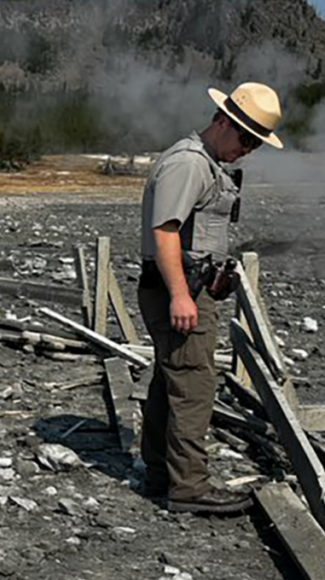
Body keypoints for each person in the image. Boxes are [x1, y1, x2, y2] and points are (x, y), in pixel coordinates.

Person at [138, 82, 283, 514]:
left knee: (172, 381)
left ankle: (162, 474)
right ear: (223, 121)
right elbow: (165, 231)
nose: (249, 149)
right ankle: (190, 488)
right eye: (246, 138)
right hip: (179, 289)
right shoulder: (190, 164)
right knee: (194, 385)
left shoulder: (205, 163)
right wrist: (182, 294)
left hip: (186, 285)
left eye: (256, 142)